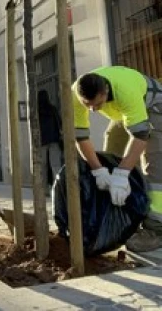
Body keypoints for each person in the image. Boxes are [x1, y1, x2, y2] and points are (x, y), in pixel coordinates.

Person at [72, 65, 162, 253]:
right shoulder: (76, 94)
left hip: (152, 104)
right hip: (123, 112)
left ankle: (156, 229)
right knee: (111, 153)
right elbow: (80, 137)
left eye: (97, 104)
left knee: (155, 164)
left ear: (105, 91)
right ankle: (125, 216)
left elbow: (141, 136)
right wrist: (99, 171)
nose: (93, 110)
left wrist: (121, 174)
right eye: (87, 105)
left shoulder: (124, 90)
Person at [37, 90, 63, 196]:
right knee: (55, 165)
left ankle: (44, 190)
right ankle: (58, 190)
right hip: (54, 140)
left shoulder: (37, 111)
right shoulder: (53, 109)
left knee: (42, 166)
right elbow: (59, 123)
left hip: (42, 141)